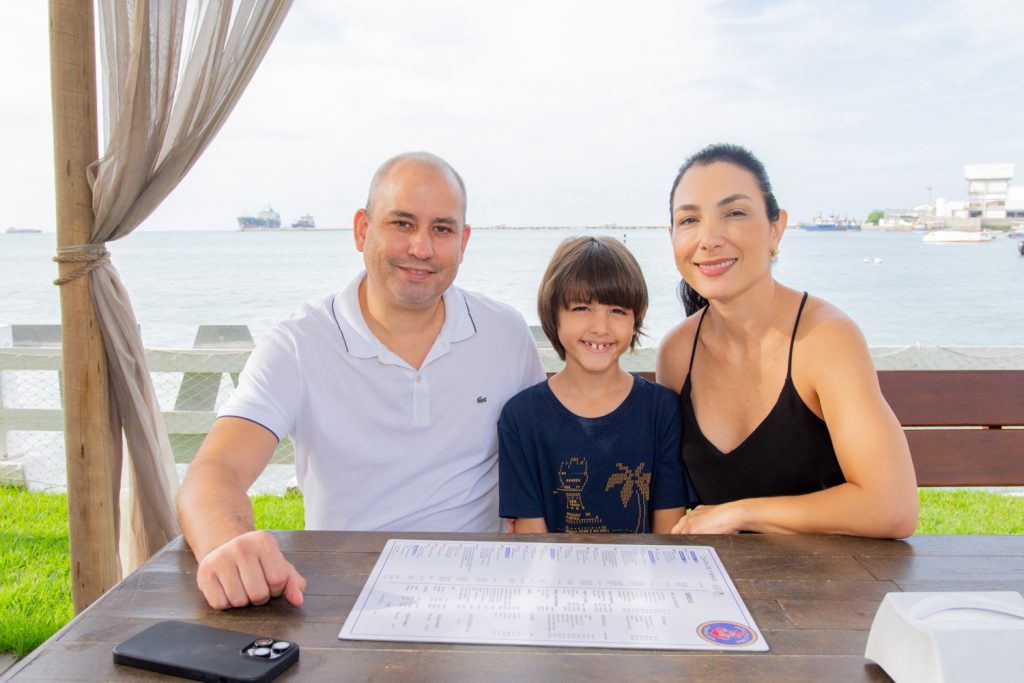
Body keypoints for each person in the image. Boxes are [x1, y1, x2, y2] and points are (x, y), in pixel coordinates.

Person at [178, 152, 545, 609]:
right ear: (361, 230)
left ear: (464, 240)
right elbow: (215, 470)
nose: (421, 248)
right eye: (402, 224)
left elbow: (540, 457)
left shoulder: (505, 334)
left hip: (480, 590)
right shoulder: (298, 343)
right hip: (344, 592)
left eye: (442, 229)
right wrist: (228, 542)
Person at [656, 143, 918, 538]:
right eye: (689, 220)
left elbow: (892, 505)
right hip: (720, 588)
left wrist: (740, 514)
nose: (708, 239)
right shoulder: (677, 353)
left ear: (776, 228)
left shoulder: (825, 339)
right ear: (673, 236)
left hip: (832, 588)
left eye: (735, 213)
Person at [500, 236, 697, 534]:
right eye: (581, 308)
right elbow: (532, 538)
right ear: (553, 314)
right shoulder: (520, 417)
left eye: (617, 310)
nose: (600, 327)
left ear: (638, 317)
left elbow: (668, 529)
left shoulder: (661, 410)